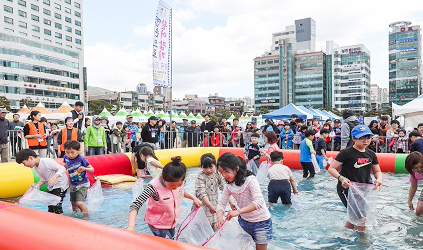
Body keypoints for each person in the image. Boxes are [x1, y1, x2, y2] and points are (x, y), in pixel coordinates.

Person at [128, 156, 202, 239]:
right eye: (171, 185)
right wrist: (131, 227)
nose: (175, 187)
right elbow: (136, 204)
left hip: (170, 222)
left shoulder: (179, 182)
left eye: (179, 185)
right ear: (163, 178)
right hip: (157, 224)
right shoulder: (154, 187)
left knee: (171, 242)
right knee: (168, 245)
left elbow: (180, 191)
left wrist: (193, 198)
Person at [328, 125, 383, 232]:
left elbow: (377, 171)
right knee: (361, 217)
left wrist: (379, 179)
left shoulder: (371, 154)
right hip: (346, 189)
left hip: (363, 190)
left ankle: (345, 234)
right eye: (362, 138)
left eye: (368, 138)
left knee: (356, 215)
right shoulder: (346, 153)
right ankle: (363, 243)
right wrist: (341, 178)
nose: (366, 140)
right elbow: (332, 168)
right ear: (354, 138)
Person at [216, 153, 273, 250]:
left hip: (261, 222)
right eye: (221, 172)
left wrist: (238, 211)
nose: (224, 175)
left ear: (237, 168)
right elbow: (221, 203)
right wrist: (219, 217)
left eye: (226, 171)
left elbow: (258, 202)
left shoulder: (251, 180)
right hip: (244, 221)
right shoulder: (229, 185)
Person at [16, 149, 69, 214]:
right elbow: (44, 179)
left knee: (57, 206)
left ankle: (61, 221)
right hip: (52, 186)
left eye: (24, 163)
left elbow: (62, 168)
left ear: (30, 158)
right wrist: (37, 185)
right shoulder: (36, 167)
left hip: (61, 185)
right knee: (51, 207)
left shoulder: (47, 161)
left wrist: (54, 177)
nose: (25, 165)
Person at [195, 153, 236, 227]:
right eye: (205, 168)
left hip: (214, 204)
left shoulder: (218, 174)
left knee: (214, 225)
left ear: (215, 165)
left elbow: (226, 189)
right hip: (203, 206)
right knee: (202, 226)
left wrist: (231, 203)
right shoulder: (200, 177)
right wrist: (209, 205)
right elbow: (202, 193)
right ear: (201, 167)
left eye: (211, 167)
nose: (208, 170)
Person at [63, 140, 94, 214]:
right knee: (73, 204)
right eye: (67, 152)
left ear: (78, 151)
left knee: (79, 203)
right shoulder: (66, 157)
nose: (70, 155)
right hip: (73, 184)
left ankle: (86, 216)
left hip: (82, 183)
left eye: (72, 152)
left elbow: (92, 169)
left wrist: (85, 168)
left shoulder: (81, 159)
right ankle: (76, 217)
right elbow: (66, 166)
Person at [405, 151, 423, 216]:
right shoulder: (413, 173)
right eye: (415, 168)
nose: (419, 170)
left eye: (421, 167)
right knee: (418, 211)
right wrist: (410, 200)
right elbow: (413, 186)